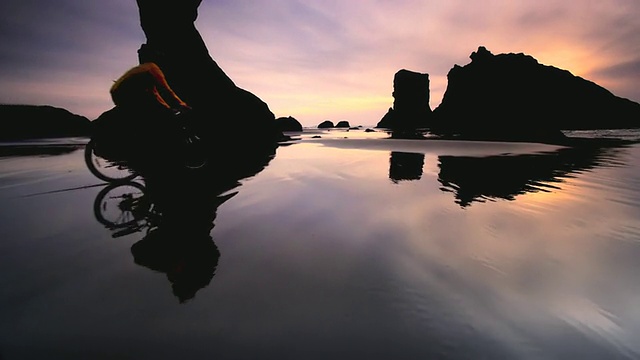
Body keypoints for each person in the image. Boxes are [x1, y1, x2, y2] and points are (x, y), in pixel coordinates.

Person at [110, 62, 191, 113]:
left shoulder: (144, 68)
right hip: (127, 94)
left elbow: (154, 92)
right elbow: (166, 90)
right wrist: (181, 103)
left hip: (117, 93)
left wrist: (167, 107)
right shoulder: (154, 68)